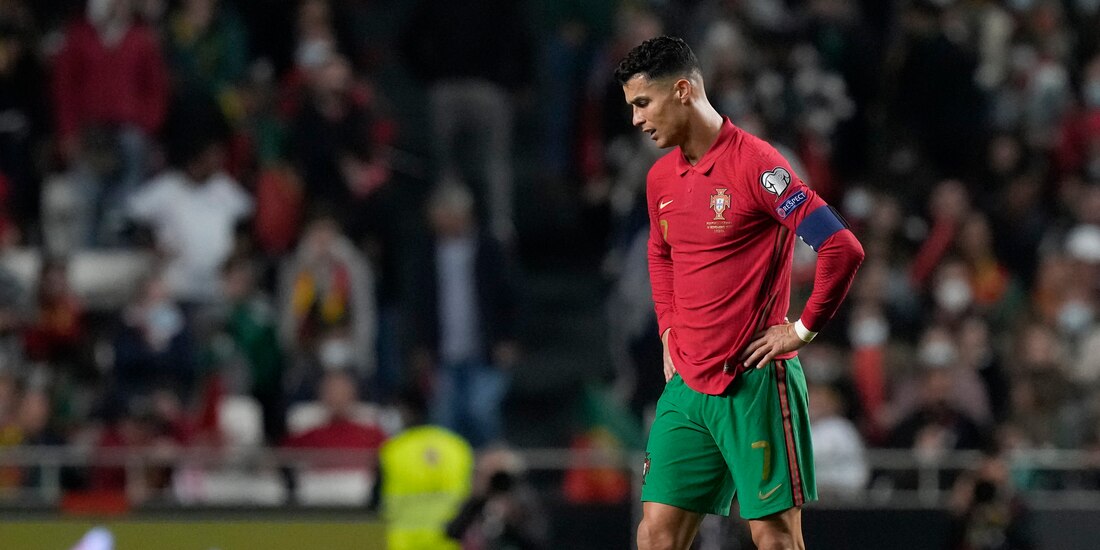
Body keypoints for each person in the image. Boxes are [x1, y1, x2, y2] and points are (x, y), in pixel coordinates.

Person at [615, 37, 865, 550]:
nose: (636, 119)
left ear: (681, 91)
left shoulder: (757, 165)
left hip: (753, 382)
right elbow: (660, 253)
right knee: (656, 534)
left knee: (774, 537)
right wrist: (667, 328)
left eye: (643, 103)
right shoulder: (660, 177)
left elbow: (841, 247)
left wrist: (802, 330)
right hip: (687, 386)